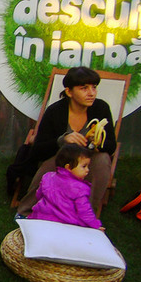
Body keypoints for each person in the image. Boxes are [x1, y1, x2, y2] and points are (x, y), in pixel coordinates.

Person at [16, 66, 117, 218]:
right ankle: (27, 212)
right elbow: (38, 150)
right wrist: (62, 141)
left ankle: (85, 216)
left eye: (94, 87)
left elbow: (111, 146)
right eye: (84, 88)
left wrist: (96, 143)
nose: (91, 93)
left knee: (103, 160)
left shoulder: (101, 108)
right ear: (69, 92)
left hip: (89, 159)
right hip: (61, 159)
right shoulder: (55, 111)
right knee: (58, 161)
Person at [29, 144, 103, 229]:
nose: (87, 170)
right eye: (84, 166)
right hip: (65, 226)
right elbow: (85, 212)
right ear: (68, 167)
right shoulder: (80, 188)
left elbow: (39, 195)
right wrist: (96, 226)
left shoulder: (48, 176)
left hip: (40, 219)